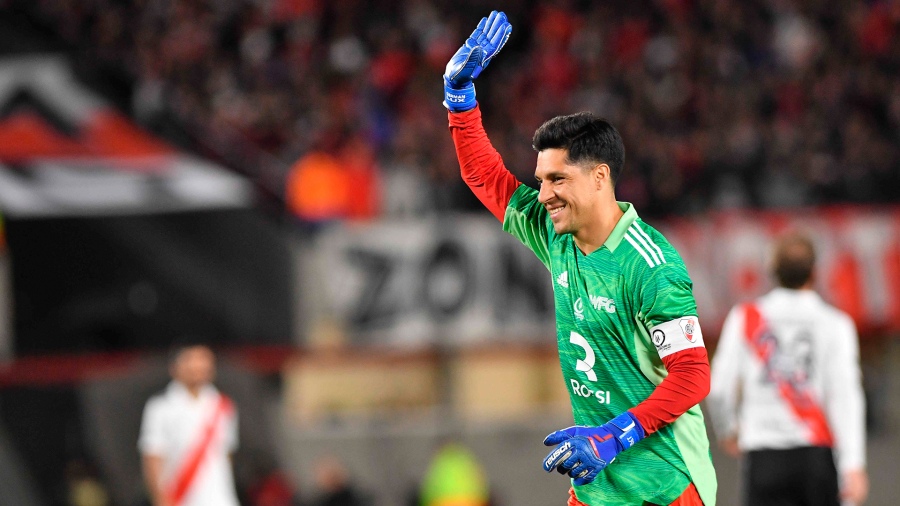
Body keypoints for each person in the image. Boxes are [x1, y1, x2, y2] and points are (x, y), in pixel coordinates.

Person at [442, 11, 717, 506]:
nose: (542, 193)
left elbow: (693, 375)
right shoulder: (556, 236)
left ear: (599, 178)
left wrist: (615, 436)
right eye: (542, 179)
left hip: (665, 484)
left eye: (557, 179)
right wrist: (458, 99)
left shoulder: (650, 266)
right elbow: (487, 177)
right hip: (596, 483)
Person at [707, 233, 868, 506]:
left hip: (763, 456)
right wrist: (853, 464)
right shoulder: (835, 323)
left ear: (772, 271)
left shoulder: (745, 318)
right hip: (816, 455)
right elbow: (845, 396)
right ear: (815, 271)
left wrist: (728, 429)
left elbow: (719, 388)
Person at [139, 344, 240, 506]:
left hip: (221, 499)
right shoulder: (160, 407)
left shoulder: (224, 405)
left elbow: (227, 454)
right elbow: (152, 456)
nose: (198, 367)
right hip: (181, 498)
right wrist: (160, 498)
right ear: (175, 368)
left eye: (203, 361)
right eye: (190, 360)